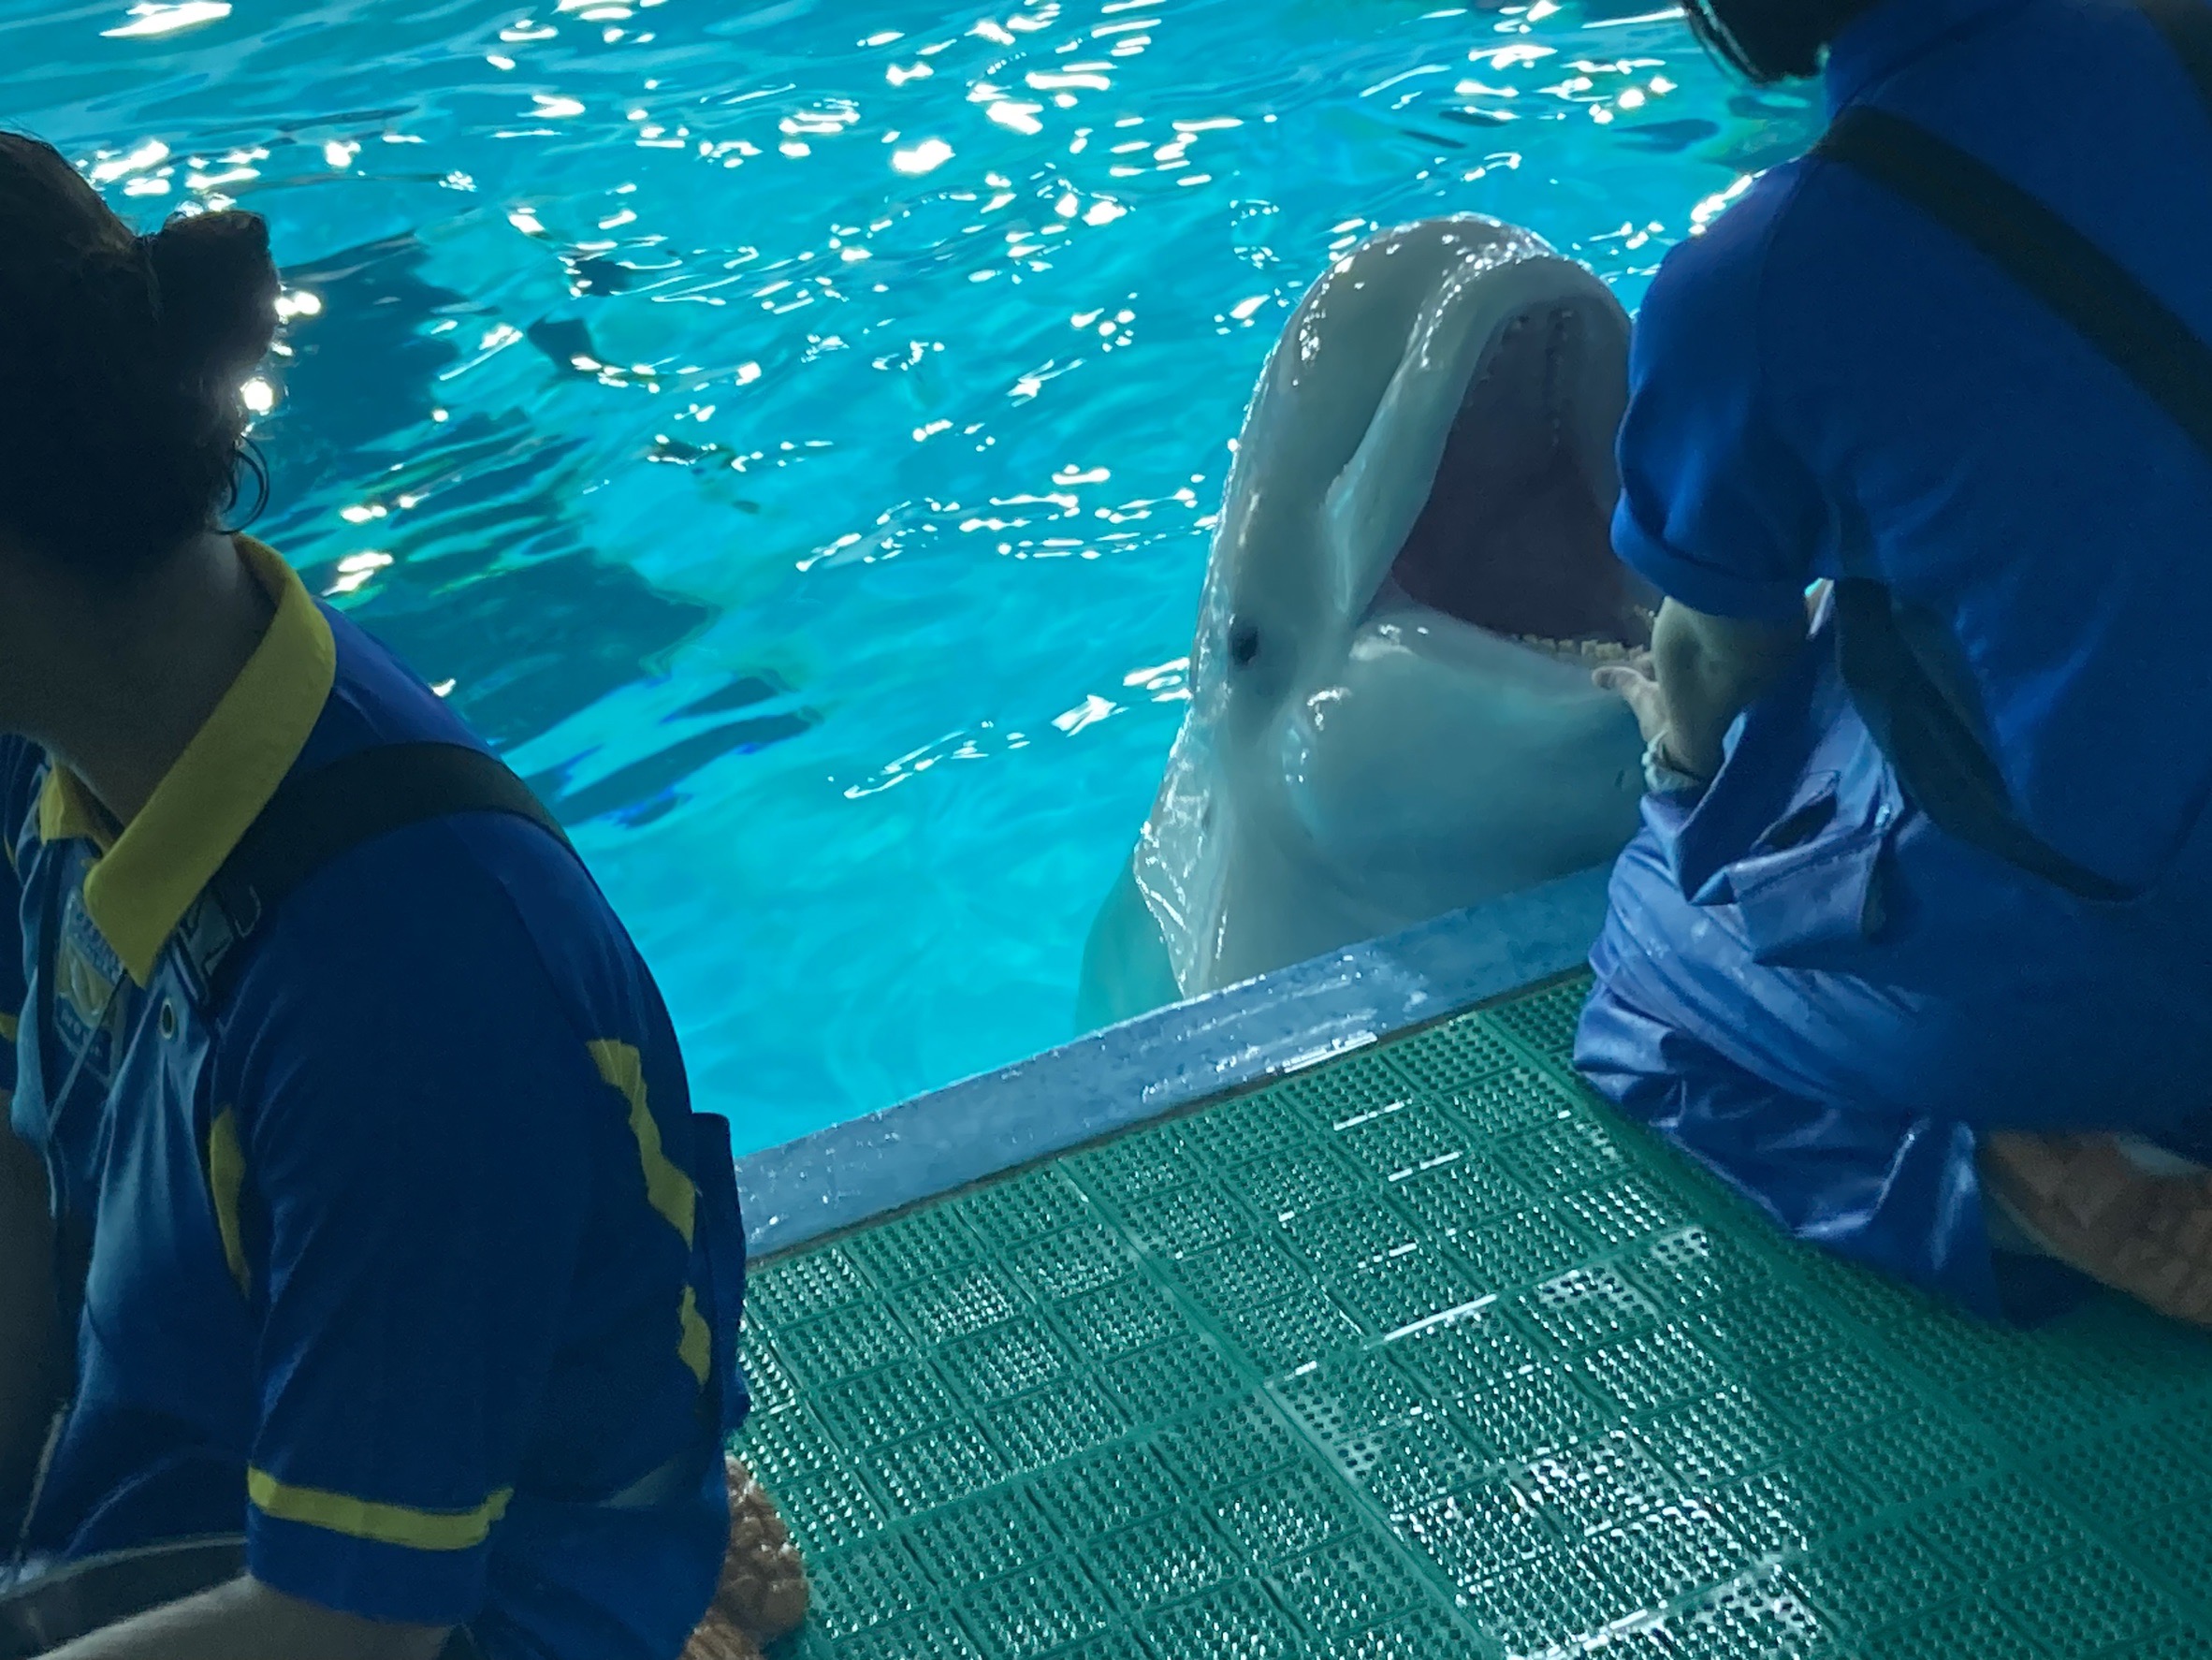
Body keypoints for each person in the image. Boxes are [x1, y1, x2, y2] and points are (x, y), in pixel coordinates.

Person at [0, 135, 807, 1658]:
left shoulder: (402, 990)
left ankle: (654, 1587)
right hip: (226, 1420)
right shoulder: (66, 724)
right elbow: (14, 1177)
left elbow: (346, 1628)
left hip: (432, 1601)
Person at [1577, 0, 2212, 1324]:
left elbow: (1713, 662)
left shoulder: (1755, 274)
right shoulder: (2179, 49)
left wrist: (1673, 753)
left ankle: (2033, 1187)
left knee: (1645, 970)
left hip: (2146, 993)